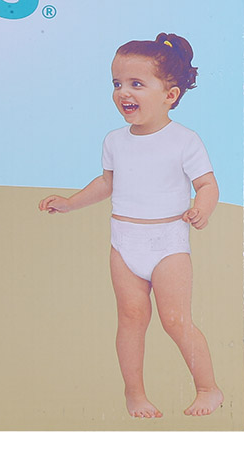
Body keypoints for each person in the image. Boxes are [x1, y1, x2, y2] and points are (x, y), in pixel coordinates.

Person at [39, 34, 224, 419]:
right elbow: (107, 183)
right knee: (131, 318)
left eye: (136, 83)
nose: (123, 92)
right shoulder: (115, 141)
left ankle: (208, 388)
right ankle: (135, 394)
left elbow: (207, 184)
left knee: (176, 321)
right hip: (125, 242)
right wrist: (70, 203)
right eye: (117, 83)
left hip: (168, 243)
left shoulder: (184, 141)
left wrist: (202, 208)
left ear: (170, 95)